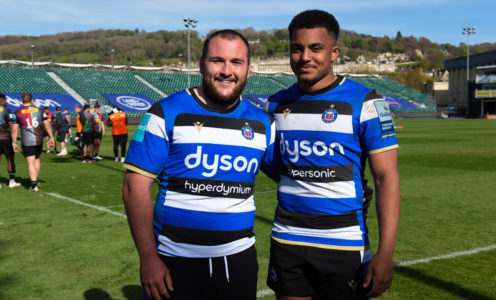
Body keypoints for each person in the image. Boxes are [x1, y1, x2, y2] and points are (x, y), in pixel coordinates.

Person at [122, 29, 276, 300]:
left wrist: (356, 189)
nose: (227, 71)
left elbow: (289, 175)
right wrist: (148, 258)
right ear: (201, 64)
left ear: (249, 70)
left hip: (238, 261)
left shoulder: (263, 122)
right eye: (218, 60)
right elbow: (135, 186)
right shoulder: (165, 112)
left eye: (236, 62)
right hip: (173, 260)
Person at [263, 10, 400, 300]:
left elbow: (387, 178)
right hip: (287, 239)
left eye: (316, 48)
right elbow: (278, 165)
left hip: (344, 242)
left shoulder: (368, 102)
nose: (304, 57)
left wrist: (386, 253)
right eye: (296, 48)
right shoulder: (275, 104)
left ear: (334, 52)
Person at [15, 92, 55, 192]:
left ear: (21, 100)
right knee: (37, 159)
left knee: (30, 161)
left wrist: (14, 142)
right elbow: (47, 125)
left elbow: (15, 130)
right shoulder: (40, 111)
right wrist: (51, 137)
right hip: (39, 139)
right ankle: (36, 181)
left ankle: (34, 186)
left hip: (27, 140)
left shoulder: (17, 112)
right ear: (32, 100)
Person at [0, 94, 21, 188]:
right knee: (10, 159)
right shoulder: (7, 110)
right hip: (5, 138)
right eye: (5, 100)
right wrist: (14, 140)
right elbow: (12, 125)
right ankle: (11, 182)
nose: (6, 102)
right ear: (2, 100)